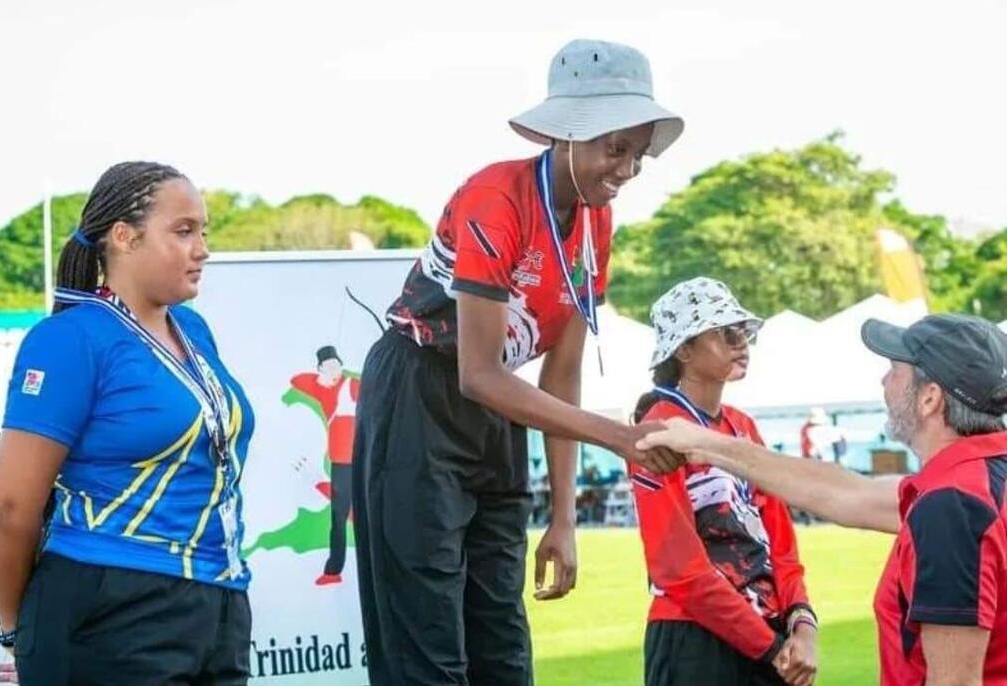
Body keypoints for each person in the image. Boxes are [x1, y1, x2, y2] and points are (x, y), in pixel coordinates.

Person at [352, 38, 685, 685]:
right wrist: (621, 438)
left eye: (637, 154)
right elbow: (477, 371)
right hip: (420, 393)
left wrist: (563, 517)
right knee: (428, 645)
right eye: (614, 148)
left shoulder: (596, 223)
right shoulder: (496, 196)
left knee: (501, 641)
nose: (626, 169)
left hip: (500, 413)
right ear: (567, 133)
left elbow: (561, 374)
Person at [0, 162, 256, 685]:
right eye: (183, 231)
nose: (202, 249)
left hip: (218, 601)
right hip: (111, 608)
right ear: (124, 237)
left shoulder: (193, 330)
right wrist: (20, 631)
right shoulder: (70, 339)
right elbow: (7, 505)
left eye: (203, 232)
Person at [637, 313, 1007, 686]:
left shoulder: (951, 508)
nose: (884, 381)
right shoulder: (976, 481)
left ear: (929, 399)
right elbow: (845, 493)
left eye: (896, 369)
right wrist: (708, 443)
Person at [630, 278, 817, 686]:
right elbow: (678, 569)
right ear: (683, 349)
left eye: (744, 332)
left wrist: (803, 624)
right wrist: (770, 648)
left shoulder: (743, 425)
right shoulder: (656, 431)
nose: (741, 343)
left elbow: (781, 543)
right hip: (695, 639)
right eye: (725, 332)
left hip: (769, 631)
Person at [288, 345, 360, 585]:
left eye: (336, 365)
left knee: (365, 513)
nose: (334, 369)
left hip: (363, 459)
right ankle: (333, 571)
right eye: (328, 366)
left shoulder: (353, 386)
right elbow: (296, 380)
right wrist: (322, 381)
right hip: (340, 461)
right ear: (320, 369)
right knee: (340, 516)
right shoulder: (323, 390)